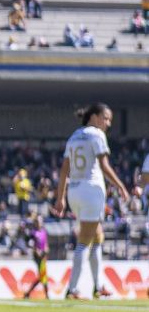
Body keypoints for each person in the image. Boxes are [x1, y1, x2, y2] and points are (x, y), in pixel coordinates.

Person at [53, 103, 130, 300]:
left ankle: (98, 286)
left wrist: (60, 197)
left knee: (97, 236)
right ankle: (72, 289)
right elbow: (104, 166)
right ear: (95, 117)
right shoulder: (97, 135)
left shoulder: (74, 136)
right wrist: (120, 185)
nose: (108, 123)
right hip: (91, 190)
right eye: (106, 118)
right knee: (85, 241)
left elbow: (64, 170)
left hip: (75, 192)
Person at [22, 215, 49, 299]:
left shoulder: (44, 231)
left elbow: (45, 243)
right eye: (37, 221)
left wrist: (46, 249)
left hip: (43, 255)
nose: (39, 223)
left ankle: (28, 293)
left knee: (42, 276)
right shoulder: (33, 233)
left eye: (40, 221)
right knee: (43, 275)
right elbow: (30, 243)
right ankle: (47, 295)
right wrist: (35, 250)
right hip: (37, 257)